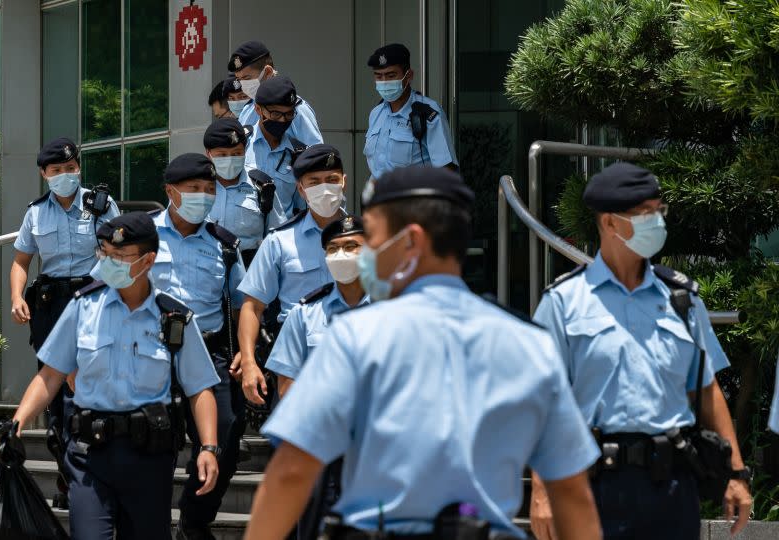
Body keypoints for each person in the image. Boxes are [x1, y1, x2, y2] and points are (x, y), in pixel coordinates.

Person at [244, 166, 602, 540]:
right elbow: (573, 492)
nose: (366, 255)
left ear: (410, 241)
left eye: (376, 238)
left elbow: (290, 472)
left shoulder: (357, 336)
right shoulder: (529, 342)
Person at [530, 162, 753, 540]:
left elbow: (705, 389)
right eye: (642, 213)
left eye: (658, 210)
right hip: (591, 486)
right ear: (609, 223)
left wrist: (735, 473)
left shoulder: (682, 299)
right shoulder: (564, 302)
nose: (656, 222)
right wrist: (541, 491)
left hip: (672, 486)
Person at [9, 212, 221, 540]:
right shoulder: (83, 307)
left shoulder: (173, 318)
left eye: (120, 256)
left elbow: (199, 387)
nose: (109, 262)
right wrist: (17, 424)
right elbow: (50, 375)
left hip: (149, 457)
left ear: (148, 260)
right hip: (89, 454)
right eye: (104, 253)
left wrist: (208, 447)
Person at [8, 136, 120, 507]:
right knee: (55, 394)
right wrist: (15, 298)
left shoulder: (101, 206)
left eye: (71, 169)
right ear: (44, 174)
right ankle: (66, 475)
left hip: (94, 301)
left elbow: (119, 254)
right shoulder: (36, 213)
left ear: (78, 168)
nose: (65, 175)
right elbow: (21, 262)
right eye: (57, 171)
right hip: (52, 306)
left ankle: (98, 473)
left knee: (90, 388)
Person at [148, 153, 248, 540]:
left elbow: (244, 304)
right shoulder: (142, 236)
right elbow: (103, 289)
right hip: (151, 352)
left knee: (225, 436)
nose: (203, 196)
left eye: (210, 190)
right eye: (194, 189)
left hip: (209, 353)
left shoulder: (224, 244)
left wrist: (245, 350)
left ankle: (194, 518)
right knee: (151, 444)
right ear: (170, 191)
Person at [265, 215, 369, 540]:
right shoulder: (305, 314)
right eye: (333, 249)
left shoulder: (398, 311)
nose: (341, 255)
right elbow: (287, 384)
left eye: (352, 246)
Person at [235, 144, 346, 407]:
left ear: (344, 182)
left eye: (331, 180)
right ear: (301, 189)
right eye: (314, 182)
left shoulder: (367, 239)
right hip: (295, 359)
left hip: (352, 353)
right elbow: (252, 306)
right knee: (292, 443)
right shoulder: (280, 241)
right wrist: (249, 363)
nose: (325, 188)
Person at [363, 44, 457, 180]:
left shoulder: (427, 112)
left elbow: (446, 171)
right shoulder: (376, 114)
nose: (384, 82)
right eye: (379, 76)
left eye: (391, 75)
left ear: (409, 76)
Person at [243, 75, 314, 229]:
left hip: (282, 243)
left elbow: (302, 208)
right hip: (245, 245)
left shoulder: (299, 156)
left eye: (289, 114)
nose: (282, 120)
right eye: (276, 114)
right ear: (258, 109)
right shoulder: (240, 146)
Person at [229, 40, 322, 146]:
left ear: (268, 72)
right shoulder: (247, 110)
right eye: (239, 79)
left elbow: (315, 155)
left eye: (247, 78)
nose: (243, 85)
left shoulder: (295, 109)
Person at [203, 118, 265, 264]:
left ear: (245, 150)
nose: (230, 159)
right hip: (205, 268)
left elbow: (275, 234)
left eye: (236, 153)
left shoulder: (261, 185)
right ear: (208, 153)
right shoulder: (194, 186)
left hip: (249, 270)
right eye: (222, 155)